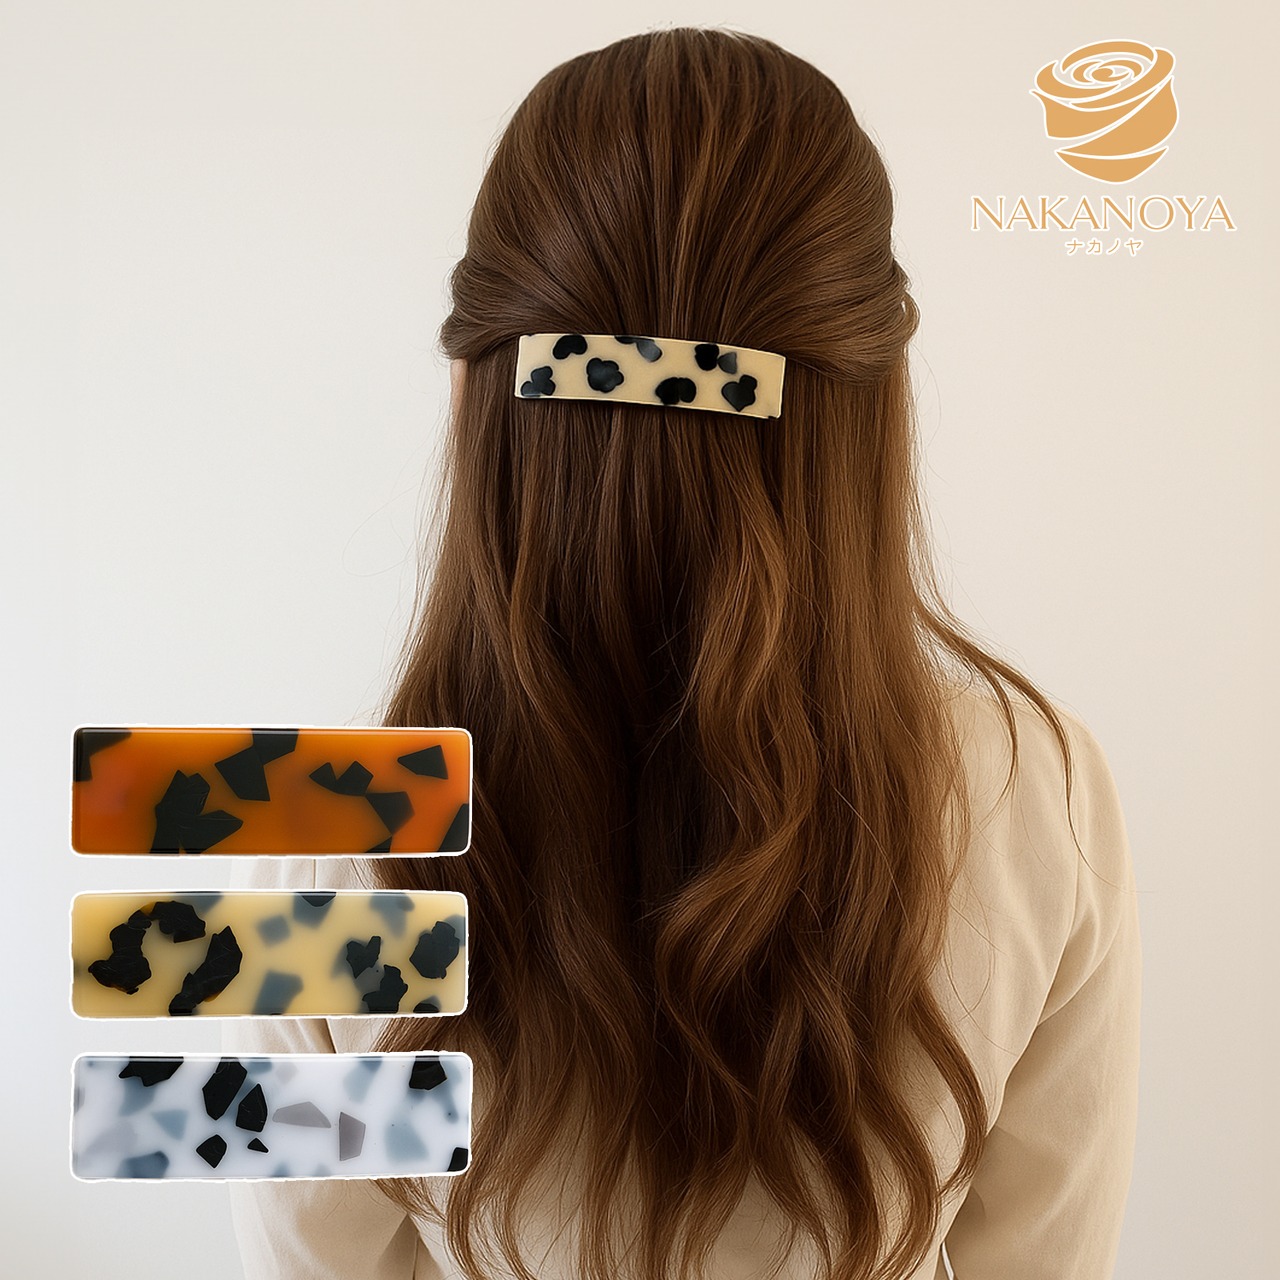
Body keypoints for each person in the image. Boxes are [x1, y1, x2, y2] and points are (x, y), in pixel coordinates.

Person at [225, 25, 1141, 1280]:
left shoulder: (318, 820)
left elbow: (306, 1263)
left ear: (475, 395)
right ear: (869, 410)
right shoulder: (1040, 788)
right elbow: (1047, 1259)